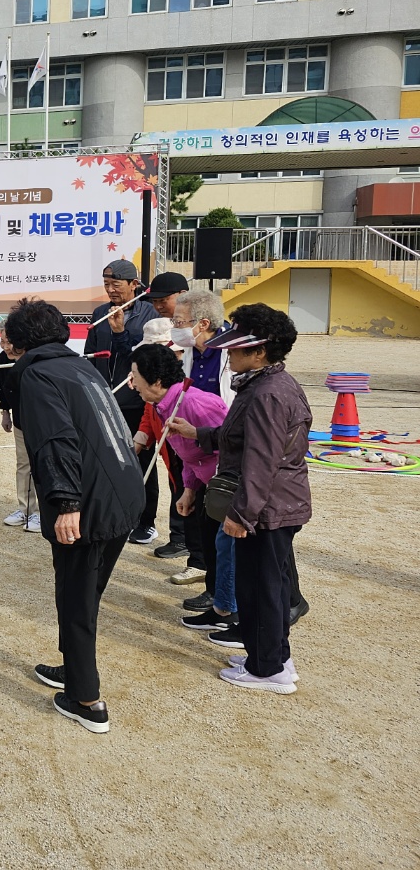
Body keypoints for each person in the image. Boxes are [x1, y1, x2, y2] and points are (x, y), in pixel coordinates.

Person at [9, 298, 144, 735]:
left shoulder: (36, 373)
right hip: (123, 492)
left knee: (77, 599)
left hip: (89, 502)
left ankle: (87, 700)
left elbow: (56, 441)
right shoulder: (80, 366)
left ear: (18, 342)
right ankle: (72, 666)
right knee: (84, 593)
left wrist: (67, 504)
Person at [168, 305, 312, 694]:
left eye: (235, 350)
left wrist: (242, 514)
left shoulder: (266, 394)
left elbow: (261, 460)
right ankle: (271, 655)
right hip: (277, 504)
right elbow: (241, 438)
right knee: (271, 585)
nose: (228, 356)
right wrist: (199, 433)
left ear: (260, 352)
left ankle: (268, 670)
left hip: (266, 507)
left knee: (259, 586)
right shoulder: (271, 385)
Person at [129, 344, 232, 633]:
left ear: (158, 382)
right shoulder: (160, 405)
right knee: (211, 544)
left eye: (136, 374)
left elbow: (232, 446)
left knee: (228, 549)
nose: (132, 381)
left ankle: (229, 610)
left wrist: (221, 489)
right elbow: (189, 453)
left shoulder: (197, 403)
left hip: (228, 487)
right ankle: (217, 602)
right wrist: (189, 489)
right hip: (206, 485)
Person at [170, 290, 246, 615]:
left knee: (226, 533)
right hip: (200, 452)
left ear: (202, 323)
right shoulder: (191, 350)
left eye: (179, 322)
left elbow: (235, 412)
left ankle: (228, 603)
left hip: (229, 454)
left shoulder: (234, 353)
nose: (174, 327)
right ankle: (215, 593)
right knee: (205, 523)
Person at [83, 259, 158, 545]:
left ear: (133, 285)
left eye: (116, 284)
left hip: (136, 401)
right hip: (105, 398)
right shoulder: (100, 312)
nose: (110, 290)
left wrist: (119, 332)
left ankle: (146, 521)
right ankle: (117, 515)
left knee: (141, 462)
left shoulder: (149, 314)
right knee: (109, 459)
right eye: (106, 285)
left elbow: (143, 357)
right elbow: (91, 354)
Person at [130, 318, 191, 572]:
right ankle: (180, 538)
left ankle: (192, 550)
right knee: (177, 488)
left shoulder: (187, 379)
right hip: (169, 450)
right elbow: (149, 413)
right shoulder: (154, 381)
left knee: (189, 493)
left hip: (190, 452)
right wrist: (140, 440)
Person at [0, 333, 38, 533]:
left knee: (43, 464)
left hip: (41, 421)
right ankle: (26, 509)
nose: (5, 346)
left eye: (9, 341)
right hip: (20, 420)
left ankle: (43, 512)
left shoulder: (35, 358)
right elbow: (4, 390)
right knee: (24, 464)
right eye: (1, 341)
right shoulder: (4, 359)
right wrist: (6, 414)